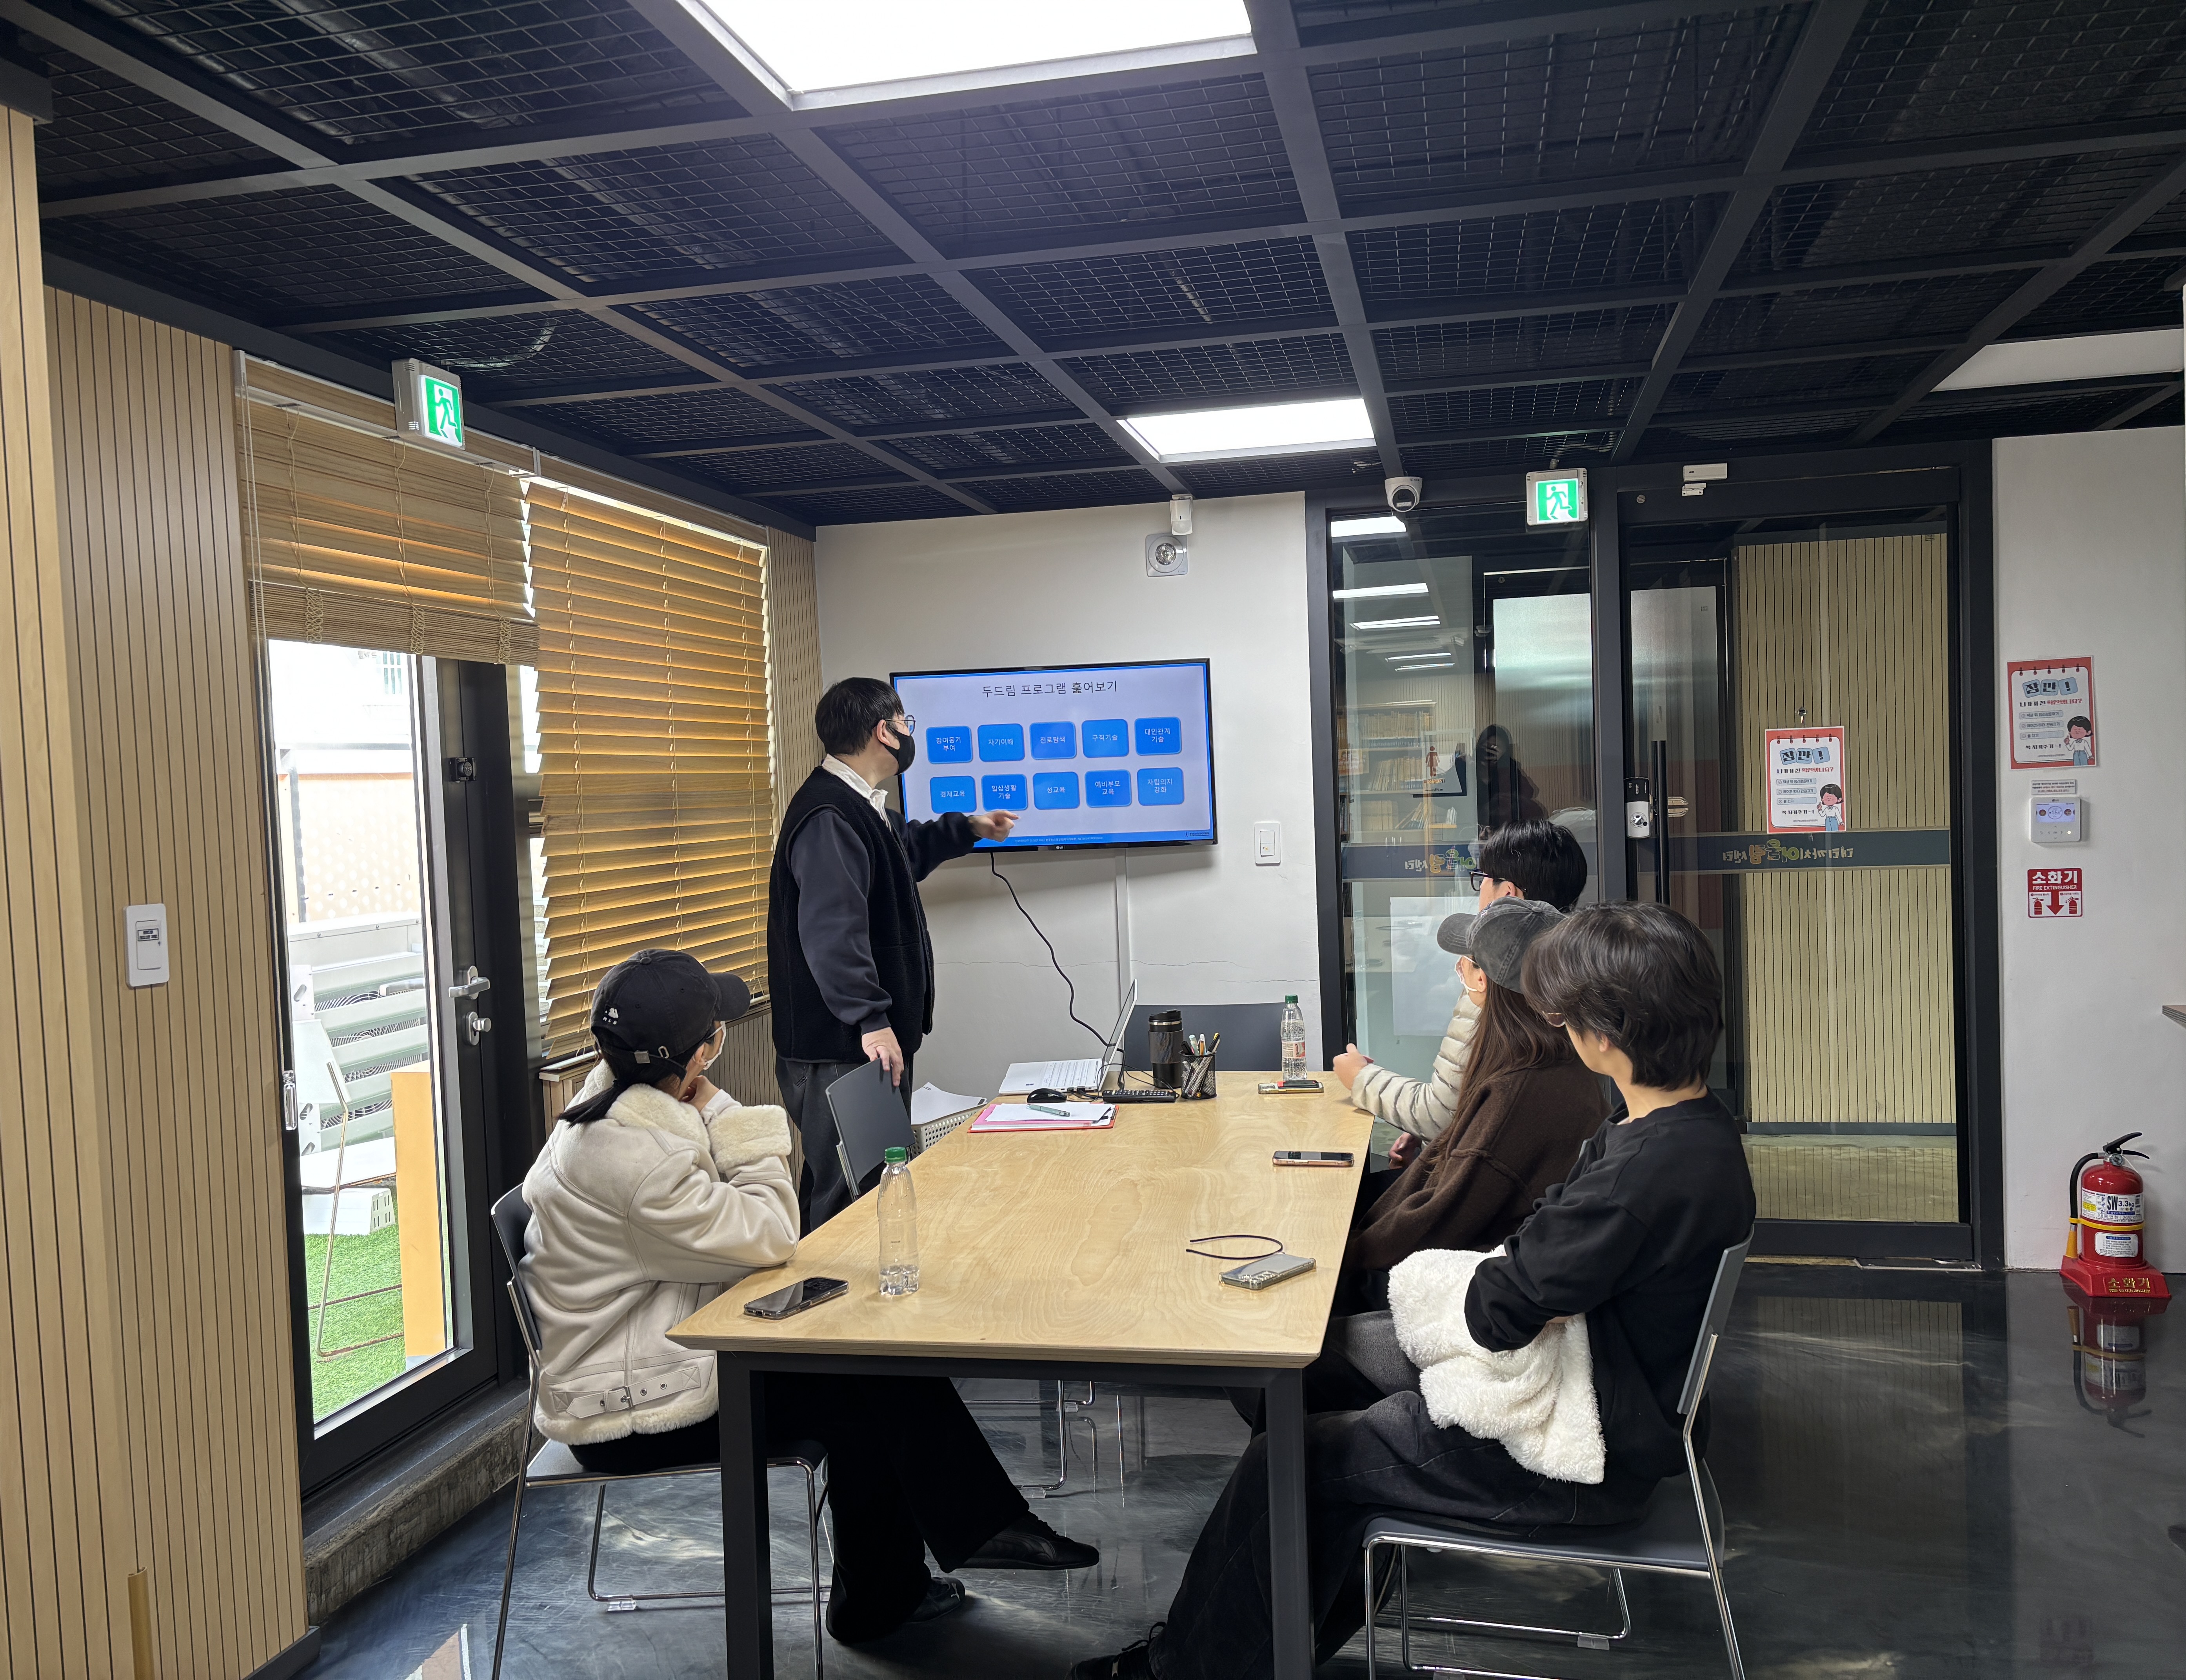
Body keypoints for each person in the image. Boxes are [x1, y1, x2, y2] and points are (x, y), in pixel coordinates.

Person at [1068, 902, 1755, 1680]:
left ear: (1604, 1033)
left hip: (1579, 1455)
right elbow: (1539, 1254)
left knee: (1290, 1462)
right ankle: (1271, 1640)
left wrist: (1505, 1278)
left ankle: (1182, 1669)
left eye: (1564, 1016)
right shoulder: (1682, 1127)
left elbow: (1499, 1309)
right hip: (1601, 1392)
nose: (1557, 1026)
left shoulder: (1640, 1175)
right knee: (1311, 1380)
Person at [518, 949, 1096, 1647]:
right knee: (855, 1387)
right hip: (631, 1410)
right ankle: (917, 1574)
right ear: (702, 1054)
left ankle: (939, 1557)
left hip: (648, 1353)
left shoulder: (608, 1114)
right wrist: (727, 1113)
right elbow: (770, 1232)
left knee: (866, 1369)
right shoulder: (636, 1160)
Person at [770, 677, 1018, 1229]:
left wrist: (969, 829)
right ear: (884, 732)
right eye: (907, 724)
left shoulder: (860, 805)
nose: (910, 734)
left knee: (865, 1185)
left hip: (863, 1042)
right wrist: (871, 1019)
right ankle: (831, 1286)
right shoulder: (829, 815)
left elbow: (903, 854)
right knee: (848, 1197)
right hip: (842, 1045)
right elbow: (833, 931)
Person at [1339, 897, 1605, 1309]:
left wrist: (1338, 1253)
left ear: (1483, 979)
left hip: (1466, 1289)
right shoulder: (1556, 1058)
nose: (1459, 969)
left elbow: (1439, 1221)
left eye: (1466, 961)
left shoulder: (1518, 1089)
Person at [1331, 820, 1590, 1171]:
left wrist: (1360, 1078)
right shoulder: (1574, 973)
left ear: (1507, 893)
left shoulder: (1496, 984)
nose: (1479, 888)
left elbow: (1439, 1115)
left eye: (1483, 877)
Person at [1473, 722, 1547, 833]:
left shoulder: (1507, 769)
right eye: (1486, 748)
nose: (1489, 752)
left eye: (1495, 749)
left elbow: (1528, 793)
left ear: (1504, 753)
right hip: (1470, 831)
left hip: (1504, 831)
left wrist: (1503, 764)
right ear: (1479, 748)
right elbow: (1448, 796)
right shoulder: (1468, 768)